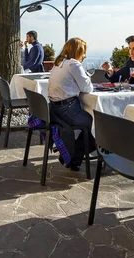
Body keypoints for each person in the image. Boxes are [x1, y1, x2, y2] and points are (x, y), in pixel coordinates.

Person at [48, 37, 95, 171]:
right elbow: (88, 88)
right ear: (79, 51)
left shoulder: (59, 63)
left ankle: (71, 155)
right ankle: (73, 157)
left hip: (54, 109)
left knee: (93, 125)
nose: (85, 56)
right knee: (96, 124)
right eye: (84, 52)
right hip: (67, 109)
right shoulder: (73, 64)